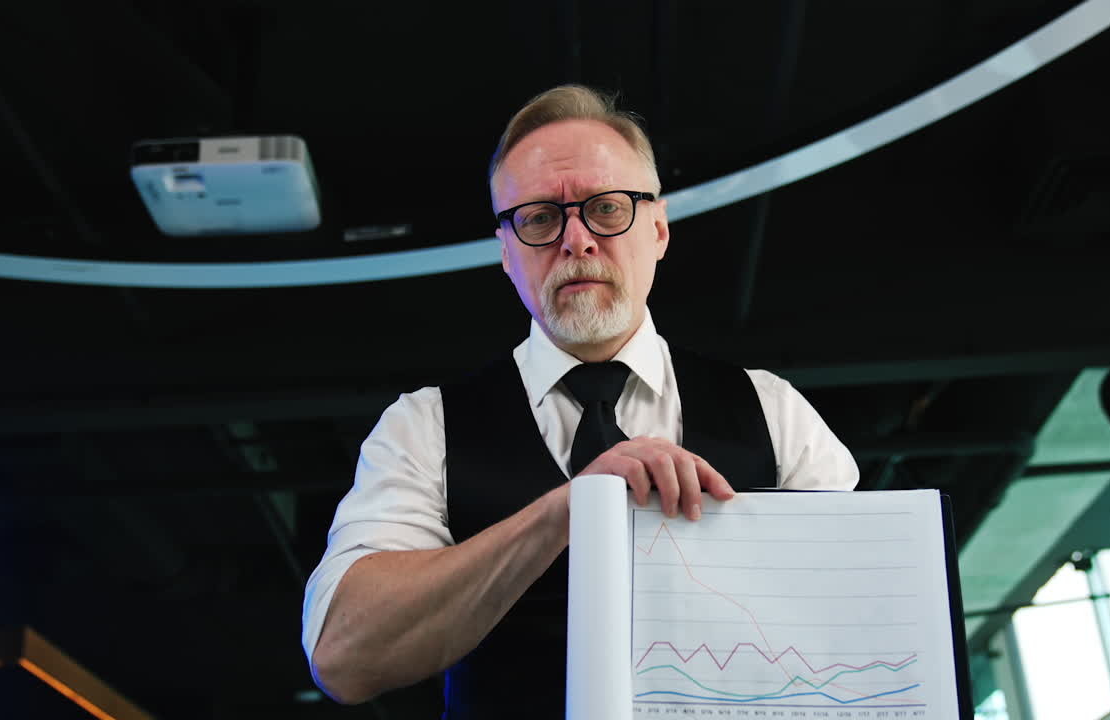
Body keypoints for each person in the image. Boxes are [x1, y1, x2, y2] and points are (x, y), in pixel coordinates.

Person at [301, 84, 859, 717]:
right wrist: (569, 509)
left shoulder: (773, 411)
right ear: (506, 255)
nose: (577, 240)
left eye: (607, 208)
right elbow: (344, 654)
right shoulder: (423, 428)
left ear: (658, 229)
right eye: (539, 217)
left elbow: (867, 623)